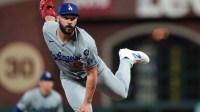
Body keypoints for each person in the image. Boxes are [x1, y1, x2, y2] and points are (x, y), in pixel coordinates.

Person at [39, 0, 150, 112]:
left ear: (76, 20)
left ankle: (127, 58)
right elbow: (48, 17)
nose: (69, 22)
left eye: (72, 18)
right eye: (65, 18)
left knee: (121, 94)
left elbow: (91, 74)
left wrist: (87, 102)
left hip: (95, 73)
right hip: (70, 77)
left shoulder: (86, 43)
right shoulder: (48, 30)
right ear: (58, 18)